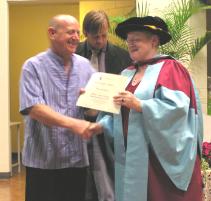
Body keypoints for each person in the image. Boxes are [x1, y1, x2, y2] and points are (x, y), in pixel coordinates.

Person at [90, 16, 204, 201]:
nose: (130, 44)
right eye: (128, 40)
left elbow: (178, 110)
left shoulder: (170, 68)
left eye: (136, 39)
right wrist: (100, 124)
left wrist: (140, 105)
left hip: (158, 160)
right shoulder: (126, 73)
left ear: (154, 41)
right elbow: (116, 114)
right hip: (131, 157)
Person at [19, 14, 95, 201]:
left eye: (78, 32)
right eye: (71, 32)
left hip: (77, 160)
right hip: (43, 161)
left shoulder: (86, 66)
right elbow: (35, 109)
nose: (77, 37)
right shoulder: (32, 66)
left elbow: (92, 110)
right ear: (52, 33)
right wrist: (74, 124)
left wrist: (93, 105)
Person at [76, 10, 131, 201]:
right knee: (84, 178)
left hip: (111, 124)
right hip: (81, 123)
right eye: (95, 36)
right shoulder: (74, 53)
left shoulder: (123, 56)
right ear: (85, 33)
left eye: (104, 35)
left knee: (110, 175)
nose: (100, 40)